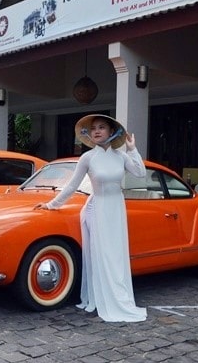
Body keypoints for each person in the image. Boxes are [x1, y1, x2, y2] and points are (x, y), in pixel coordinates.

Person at [34, 114, 147, 322]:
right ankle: (101, 298)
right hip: (98, 208)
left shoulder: (121, 156)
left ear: (111, 132)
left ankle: (120, 298)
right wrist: (51, 204)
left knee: (117, 255)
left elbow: (140, 173)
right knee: (102, 255)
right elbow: (71, 185)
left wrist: (132, 149)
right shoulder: (88, 158)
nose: (97, 131)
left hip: (117, 208)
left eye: (102, 127)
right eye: (93, 128)